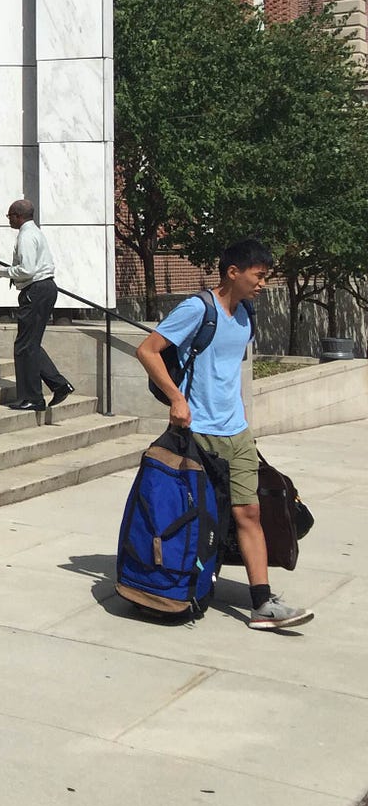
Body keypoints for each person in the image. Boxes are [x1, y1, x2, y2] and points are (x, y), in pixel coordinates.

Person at [135, 238, 313, 631]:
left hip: (237, 432)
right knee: (201, 517)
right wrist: (177, 399)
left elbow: (226, 373)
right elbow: (147, 350)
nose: (263, 284)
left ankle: (262, 603)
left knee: (249, 512)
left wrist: (241, 418)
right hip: (197, 433)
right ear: (233, 272)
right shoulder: (198, 309)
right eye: (258, 275)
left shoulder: (247, 313)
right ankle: (188, 585)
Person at [0, 199, 75, 412]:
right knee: (29, 344)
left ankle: (33, 398)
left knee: (24, 346)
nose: (8, 220)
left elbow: (27, 270)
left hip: (36, 291)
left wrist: (1, 271)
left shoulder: (26, 236)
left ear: (18, 216)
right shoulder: (35, 233)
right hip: (44, 289)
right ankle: (58, 385)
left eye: (9, 216)